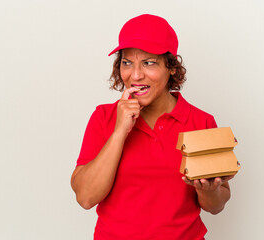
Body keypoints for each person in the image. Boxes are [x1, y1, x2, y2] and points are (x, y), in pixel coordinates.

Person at [71, 14, 234, 240]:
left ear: (172, 68)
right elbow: (86, 198)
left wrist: (208, 190)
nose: (136, 75)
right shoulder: (104, 117)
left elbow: (215, 206)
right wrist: (120, 132)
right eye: (127, 62)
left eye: (149, 63)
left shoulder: (201, 122)